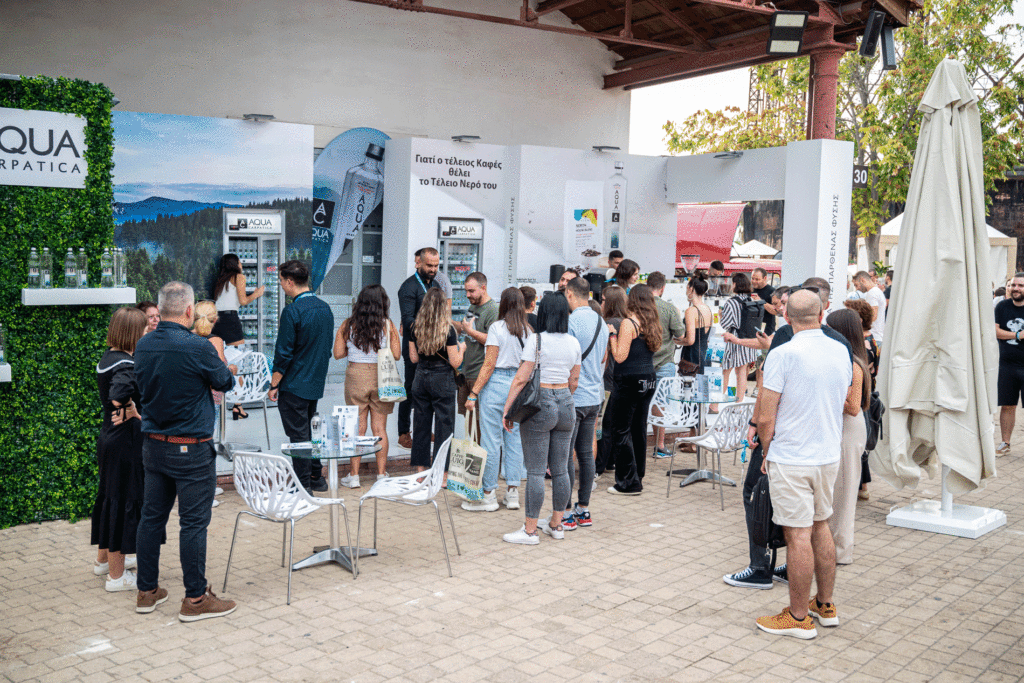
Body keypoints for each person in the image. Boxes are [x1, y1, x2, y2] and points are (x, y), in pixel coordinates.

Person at [134, 281, 238, 621]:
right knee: (192, 524)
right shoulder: (197, 346)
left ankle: (147, 591)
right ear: (190, 311)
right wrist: (221, 363)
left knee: (152, 517)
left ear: (161, 309)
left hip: (153, 444)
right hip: (190, 449)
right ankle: (195, 599)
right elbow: (224, 382)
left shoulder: (144, 345)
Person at [754, 290, 851, 639]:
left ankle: (798, 617)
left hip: (792, 456)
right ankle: (824, 604)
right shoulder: (840, 350)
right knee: (820, 526)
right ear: (822, 314)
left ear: (786, 317)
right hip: (827, 454)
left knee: (797, 536)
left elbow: (766, 416)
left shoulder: (783, 354)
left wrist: (767, 450)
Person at [501, 292, 581, 544]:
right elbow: (574, 381)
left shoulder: (536, 340)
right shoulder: (573, 342)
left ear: (544, 313)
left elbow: (521, 379)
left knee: (535, 471)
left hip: (540, 404)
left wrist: (508, 410)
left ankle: (530, 531)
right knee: (561, 469)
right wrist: (562, 397)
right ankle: (557, 525)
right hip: (566, 403)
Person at [91, 307, 147, 592]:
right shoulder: (126, 364)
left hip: (109, 438)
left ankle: (103, 561)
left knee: (110, 498)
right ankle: (116, 577)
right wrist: (130, 409)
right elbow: (117, 394)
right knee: (121, 502)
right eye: (144, 330)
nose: (147, 334)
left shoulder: (108, 357)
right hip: (124, 443)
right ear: (133, 333)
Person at [267, 261, 334, 493]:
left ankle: (302, 485)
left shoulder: (292, 311)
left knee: (299, 436)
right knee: (310, 432)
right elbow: (326, 348)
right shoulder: (324, 308)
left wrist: (274, 384)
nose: (281, 285)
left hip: (294, 383)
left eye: (281, 281)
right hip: (314, 382)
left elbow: (283, 353)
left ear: (289, 282)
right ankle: (317, 477)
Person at [462, 287, 529, 512]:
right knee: (515, 440)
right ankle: (512, 493)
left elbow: (489, 364)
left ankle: (489, 494)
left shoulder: (497, 328)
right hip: (518, 386)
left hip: (496, 385)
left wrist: (473, 393)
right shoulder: (528, 331)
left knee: (491, 441)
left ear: (503, 305)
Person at [333, 284, 402, 487]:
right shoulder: (388, 325)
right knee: (379, 428)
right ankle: (381, 475)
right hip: (381, 376)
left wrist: (353, 348)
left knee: (357, 427)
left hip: (356, 376)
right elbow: (397, 355)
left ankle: (354, 476)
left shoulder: (348, 325)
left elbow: (338, 353)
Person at [561, 275, 609, 527]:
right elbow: (603, 357)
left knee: (567, 455)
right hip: (594, 396)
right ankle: (584, 509)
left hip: (575, 396)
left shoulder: (571, 322)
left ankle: (566, 512)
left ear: (570, 294)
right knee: (586, 454)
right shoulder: (601, 321)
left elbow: (567, 359)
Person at [824, 309, 870, 565]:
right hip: (845, 428)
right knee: (839, 490)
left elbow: (852, 406)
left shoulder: (853, 364)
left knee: (844, 491)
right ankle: (835, 548)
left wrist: (822, 395)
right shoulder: (849, 359)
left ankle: (840, 551)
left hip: (849, 429)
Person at [605, 284, 662, 495]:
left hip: (628, 380)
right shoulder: (652, 323)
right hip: (648, 379)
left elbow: (620, 356)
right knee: (639, 429)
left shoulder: (629, 324)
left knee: (621, 429)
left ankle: (628, 482)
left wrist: (612, 336)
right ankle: (638, 474)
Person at [409, 287, 464, 477]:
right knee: (444, 427)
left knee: (420, 425)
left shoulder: (415, 327)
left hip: (421, 377)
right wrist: (462, 349)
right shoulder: (448, 330)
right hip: (442, 379)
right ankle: (443, 474)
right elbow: (454, 362)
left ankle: (420, 472)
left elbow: (414, 358)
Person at [397, 247, 443, 450]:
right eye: (429, 265)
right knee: (410, 389)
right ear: (419, 263)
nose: (433, 269)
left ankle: (423, 429)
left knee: (428, 391)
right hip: (413, 347)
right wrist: (429, 330)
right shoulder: (408, 287)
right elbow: (408, 320)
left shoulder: (436, 284)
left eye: (436, 265)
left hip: (433, 348)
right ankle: (403, 432)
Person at [211, 254, 265, 419]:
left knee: (222, 359)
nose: (241, 264)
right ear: (235, 264)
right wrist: (257, 294)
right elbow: (243, 301)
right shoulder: (239, 277)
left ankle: (227, 403)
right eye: (240, 261)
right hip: (231, 321)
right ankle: (237, 405)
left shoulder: (220, 280)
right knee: (239, 361)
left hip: (216, 321)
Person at [454, 272, 499, 439]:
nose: (467, 295)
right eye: (466, 291)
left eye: (471, 291)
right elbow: (466, 330)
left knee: (480, 425)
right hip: (467, 372)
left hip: (480, 375)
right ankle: (473, 454)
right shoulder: (472, 307)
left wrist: (470, 332)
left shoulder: (493, 310)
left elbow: (493, 341)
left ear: (483, 288)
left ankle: (481, 455)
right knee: (469, 421)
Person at [647, 271, 686, 458]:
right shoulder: (669, 309)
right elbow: (680, 334)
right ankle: (660, 446)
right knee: (660, 404)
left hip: (643, 363)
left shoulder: (639, 307)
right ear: (662, 288)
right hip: (664, 363)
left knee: (639, 404)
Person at [595, 285, 628, 475]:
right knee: (617, 424)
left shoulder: (608, 324)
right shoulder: (628, 323)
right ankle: (611, 461)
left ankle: (599, 465)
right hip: (623, 380)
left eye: (604, 300)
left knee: (604, 426)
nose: (601, 303)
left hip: (608, 380)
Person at [994, 273, 1024, 456]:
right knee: (1007, 405)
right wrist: (1018, 335)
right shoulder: (1002, 306)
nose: (1016, 288)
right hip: (1006, 365)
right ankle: (1005, 443)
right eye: (1013, 285)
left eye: (1020, 285)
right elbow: (995, 331)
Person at [720, 272, 757, 401]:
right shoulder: (751, 301)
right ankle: (739, 403)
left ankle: (715, 404)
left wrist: (721, 315)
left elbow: (725, 324)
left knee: (725, 371)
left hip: (734, 339)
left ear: (735, 284)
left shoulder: (731, 302)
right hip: (748, 339)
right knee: (741, 373)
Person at [847, 271, 885, 346]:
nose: (857, 288)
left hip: (873, 336)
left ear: (862, 280)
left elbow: (873, 316)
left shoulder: (872, 293)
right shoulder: (876, 291)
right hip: (876, 336)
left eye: (856, 285)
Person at [751, 267, 777, 336]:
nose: (754, 281)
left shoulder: (772, 291)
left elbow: (775, 311)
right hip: (752, 327)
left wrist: (760, 301)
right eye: (752, 278)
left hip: (766, 330)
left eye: (757, 279)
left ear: (765, 278)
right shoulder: (750, 290)